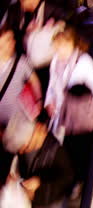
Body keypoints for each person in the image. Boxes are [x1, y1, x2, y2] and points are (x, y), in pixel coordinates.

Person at [45, 26, 93, 199]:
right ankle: (73, 181)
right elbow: (52, 85)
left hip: (80, 117)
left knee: (80, 149)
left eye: (62, 46)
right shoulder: (55, 61)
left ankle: (81, 181)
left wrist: (83, 104)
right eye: (57, 47)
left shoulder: (84, 60)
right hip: (62, 116)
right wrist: (49, 102)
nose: (59, 51)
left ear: (71, 43)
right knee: (67, 150)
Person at [2, 114, 74, 207]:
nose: (21, 152)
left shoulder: (57, 153)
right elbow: (19, 166)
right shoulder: (24, 145)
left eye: (23, 148)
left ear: (29, 141)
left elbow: (66, 182)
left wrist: (38, 188)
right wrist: (13, 175)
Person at [0, 27, 42, 187]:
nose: (12, 43)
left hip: (23, 122)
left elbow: (34, 81)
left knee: (27, 157)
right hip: (3, 126)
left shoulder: (20, 61)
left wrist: (38, 102)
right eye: (7, 40)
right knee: (7, 160)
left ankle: (25, 186)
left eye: (12, 39)